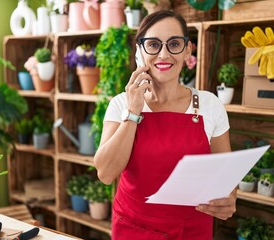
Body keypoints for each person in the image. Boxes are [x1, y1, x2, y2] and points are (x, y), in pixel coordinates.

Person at [93, 10, 236, 240]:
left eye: (174, 44)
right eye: (153, 44)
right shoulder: (121, 104)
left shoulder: (210, 105)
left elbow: (225, 178)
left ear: (188, 49)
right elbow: (106, 173)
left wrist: (229, 197)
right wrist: (133, 112)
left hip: (193, 230)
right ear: (140, 50)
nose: (163, 54)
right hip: (134, 229)